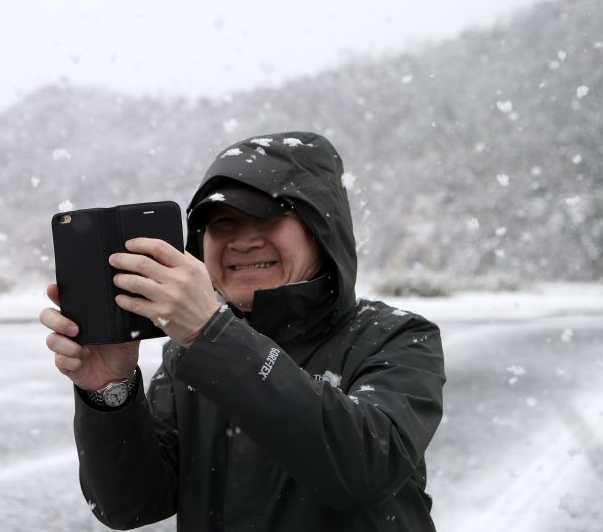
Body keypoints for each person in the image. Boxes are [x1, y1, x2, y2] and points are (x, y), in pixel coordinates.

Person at [39, 131, 445, 531]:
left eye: (266, 219)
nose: (243, 241)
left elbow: (364, 469)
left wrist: (212, 335)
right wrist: (111, 391)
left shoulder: (398, 338)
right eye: (223, 223)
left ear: (322, 229)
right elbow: (130, 505)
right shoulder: (188, 354)